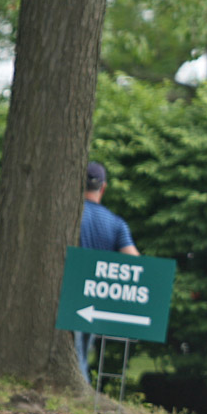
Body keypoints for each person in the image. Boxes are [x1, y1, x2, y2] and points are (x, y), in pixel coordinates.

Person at [75, 161, 140, 383]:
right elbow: (134, 261)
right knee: (81, 354)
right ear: (103, 187)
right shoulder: (115, 224)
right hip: (93, 299)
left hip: (65, 294)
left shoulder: (67, 218)